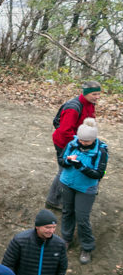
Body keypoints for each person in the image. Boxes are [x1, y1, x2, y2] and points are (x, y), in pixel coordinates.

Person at [58, 118, 108, 264]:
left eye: (86, 141)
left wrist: (80, 166)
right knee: (67, 211)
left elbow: (99, 173)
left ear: (93, 139)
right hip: (67, 183)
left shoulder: (101, 151)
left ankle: (87, 247)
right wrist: (68, 161)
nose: (82, 143)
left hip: (86, 189)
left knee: (82, 218)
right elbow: (61, 160)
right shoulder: (72, 144)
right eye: (80, 139)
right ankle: (66, 239)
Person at [46, 81, 101, 210]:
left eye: (99, 94)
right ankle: (53, 200)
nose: (97, 97)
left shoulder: (90, 104)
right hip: (64, 143)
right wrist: (78, 146)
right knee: (64, 170)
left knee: (72, 168)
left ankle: (73, 190)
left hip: (77, 141)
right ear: (86, 93)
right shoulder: (73, 108)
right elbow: (65, 131)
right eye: (94, 94)